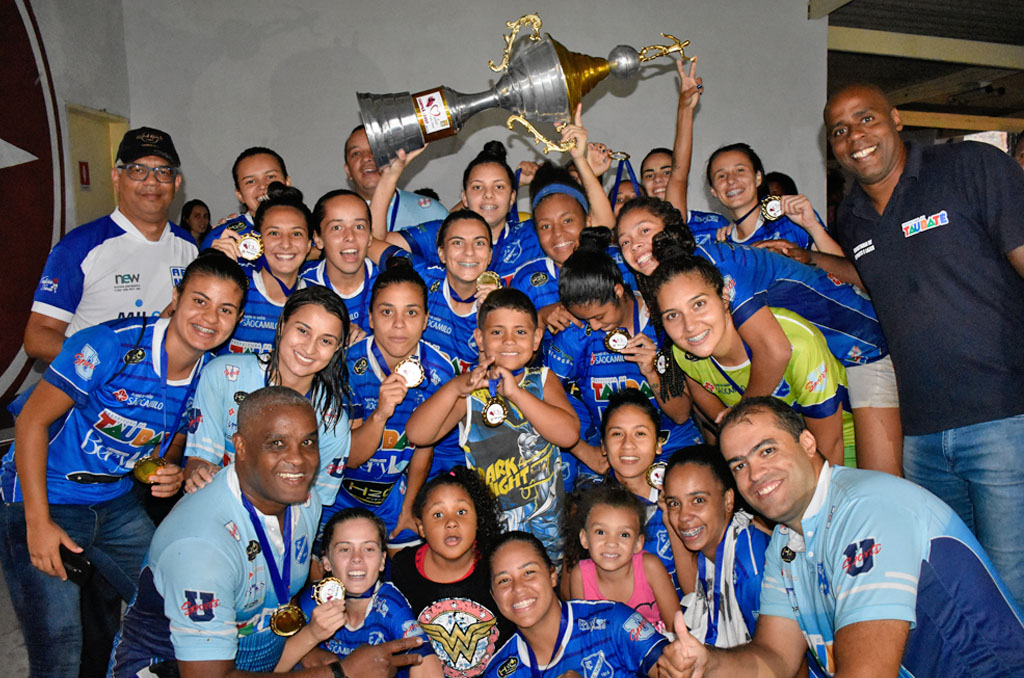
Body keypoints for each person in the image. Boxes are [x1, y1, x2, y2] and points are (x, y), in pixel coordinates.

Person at [821, 83, 1024, 605]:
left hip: (1004, 420)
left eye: (865, 119)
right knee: (955, 588)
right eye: (840, 130)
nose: (855, 138)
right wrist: (812, 263)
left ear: (896, 118)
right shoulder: (852, 215)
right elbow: (878, 276)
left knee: (1011, 588)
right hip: (924, 437)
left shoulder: (970, 167)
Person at [1, 251, 247, 678]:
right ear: (176, 297)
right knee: (59, 644)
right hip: (43, 492)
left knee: (180, 611)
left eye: (225, 309)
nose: (210, 317)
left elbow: (162, 452)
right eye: (199, 301)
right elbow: (30, 422)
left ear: (238, 317)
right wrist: (36, 522)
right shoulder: (112, 344)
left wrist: (169, 472)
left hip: (115, 500)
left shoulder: (210, 375)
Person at [667, 396, 1024, 677]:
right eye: (739, 465)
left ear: (807, 442)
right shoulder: (787, 542)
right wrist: (707, 662)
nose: (755, 473)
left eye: (767, 450)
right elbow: (775, 658)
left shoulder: (868, 510)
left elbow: (867, 673)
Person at [110, 386, 427, 676]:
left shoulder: (305, 501)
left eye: (308, 442)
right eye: (277, 443)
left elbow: (268, 607)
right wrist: (342, 674)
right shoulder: (202, 544)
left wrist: (308, 646)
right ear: (242, 447)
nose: (297, 459)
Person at [406, 289, 580, 566]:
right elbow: (418, 434)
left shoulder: (543, 381)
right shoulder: (470, 390)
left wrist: (516, 394)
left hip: (548, 537)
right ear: (480, 339)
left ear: (537, 339)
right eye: (497, 332)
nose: (509, 340)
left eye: (521, 332)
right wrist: (455, 387)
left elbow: (569, 435)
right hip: (493, 541)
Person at [649, 253, 854, 467]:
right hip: (775, 456)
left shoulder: (796, 343)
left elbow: (830, 446)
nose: (689, 326)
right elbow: (725, 423)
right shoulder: (684, 357)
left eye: (699, 304)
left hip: (842, 453)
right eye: (672, 315)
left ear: (724, 298)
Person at [24, 126, 198, 363]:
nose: (151, 182)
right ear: (116, 177)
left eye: (163, 172)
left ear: (176, 183)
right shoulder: (79, 247)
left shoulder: (189, 247)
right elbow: (38, 338)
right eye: (138, 170)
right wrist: (109, 367)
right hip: (93, 396)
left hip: (164, 392)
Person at [182, 286, 352, 512]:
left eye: (326, 341)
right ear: (282, 325)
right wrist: (199, 473)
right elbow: (200, 459)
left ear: (337, 348)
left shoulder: (333, 423)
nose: (309, 348)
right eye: (302, 331)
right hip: (214, 508)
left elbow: (314, 503)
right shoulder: (223, 374)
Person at [548, 229, 702, 473]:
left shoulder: (663, 322)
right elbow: (543, 391)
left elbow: (682, 415)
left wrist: (653, 373)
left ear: (618, 291)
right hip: (611, 455)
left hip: (673, 448)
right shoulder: (575, 332)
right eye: (586, 318)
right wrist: (581, 448)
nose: (595, 326)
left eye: (599, 316)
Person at [340, 259, 459, 547]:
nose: (398, 324)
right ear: (370, 318)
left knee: (408, 563)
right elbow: (351, 457)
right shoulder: (346, 364)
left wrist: (408, 507)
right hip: (338, 490)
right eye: (386, 312)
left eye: (411, 312)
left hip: (395, 491)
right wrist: (381, 413)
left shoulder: (441, 373)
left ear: (426, 320)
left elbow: (424, 448)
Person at [486, 531, 694, 678]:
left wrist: (679, 666)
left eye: (529, 572)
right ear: (494, 597)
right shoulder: (498, 671)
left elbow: (671, 670)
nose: (518, 588)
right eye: (503, 580)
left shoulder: (613, 621)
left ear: (552, 576)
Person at [285, 508, 442, 677]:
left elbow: (425, 663)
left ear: (382, 561)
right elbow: (272, 669)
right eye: (345, 549)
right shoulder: (314, 598)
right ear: (326, 562)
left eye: (368, 549)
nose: (357, 558)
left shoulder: (389, 606)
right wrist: (311, 637)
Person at [391, 467, 515, 678]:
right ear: (421, 527)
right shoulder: (404, 568)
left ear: (478, 519)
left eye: (461, 512)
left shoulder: (498, 564)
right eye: (438, 514)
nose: (451, 522)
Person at [377, 141, 542, 279]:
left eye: (499, 187)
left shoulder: (530, 235)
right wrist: (389, 178)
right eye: (477, 187)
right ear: (464, 198)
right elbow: (374, 243)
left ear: (513, 197)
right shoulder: (440, 233)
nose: (488, 195)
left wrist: (547, 179)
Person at [662, 444, 768, 648]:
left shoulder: (750, 565)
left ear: (728, 500)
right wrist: (669, 520)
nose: (684, 516)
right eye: (674, 503)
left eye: (698, 500)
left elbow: (781, 657)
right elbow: (694, 587)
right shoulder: (716, 542)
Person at [600, 389, 686, 591]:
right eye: (617, 434)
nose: (628, 445)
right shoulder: (590, 506)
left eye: (640, 434)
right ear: (603, 446)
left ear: (658, 444)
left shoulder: (679, 499)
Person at [212, 183, 311, 355]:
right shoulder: (233, 288)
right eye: (274, 233)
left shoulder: (317, 300)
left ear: (309, 244)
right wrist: (210, 264)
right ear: (257, 240)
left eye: (296, 234)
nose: (286, 244)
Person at [564, 482, 678, 631]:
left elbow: (676, 627)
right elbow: (584, 634)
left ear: (638, 543)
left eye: (624, 534)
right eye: (600, 532)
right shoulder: (579, 575)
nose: (611, 543)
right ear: (584, 538)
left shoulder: (650, 567)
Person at [706, 143, 842, 253]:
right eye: (721, 175)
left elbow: (844, 272)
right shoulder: (724, 244)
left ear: (758, 178)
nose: (731, 180)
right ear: (713, 190)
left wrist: (813, 227)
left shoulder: (791, 221)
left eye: (740, 170)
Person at [418, 210, 501, 374]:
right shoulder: (423, 279)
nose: (469, 252)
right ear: (441, 253)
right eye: (457, 242)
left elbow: (492, 377)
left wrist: (489, 321)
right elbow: (375, 245)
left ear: (490, 255)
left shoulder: (505, 307)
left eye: (479, 243)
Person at [301, 188, 378, 338]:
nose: (350, 237)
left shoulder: (387, 283)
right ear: (318, 239)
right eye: (337, 228)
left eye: (359, 227)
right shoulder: (302, 285)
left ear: (370, 236)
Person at [344, 125, 447, 231]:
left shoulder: (431, 213)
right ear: (348, 171)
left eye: (374, 150)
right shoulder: (334, 217)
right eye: (356, 153)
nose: (366, 158)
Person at [199, 146, 291, 251]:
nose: (262, 186)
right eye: (251, 181)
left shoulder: (311, 231)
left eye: (270, 177)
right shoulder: (223, 236)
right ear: (240, 195)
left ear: (287, 183)